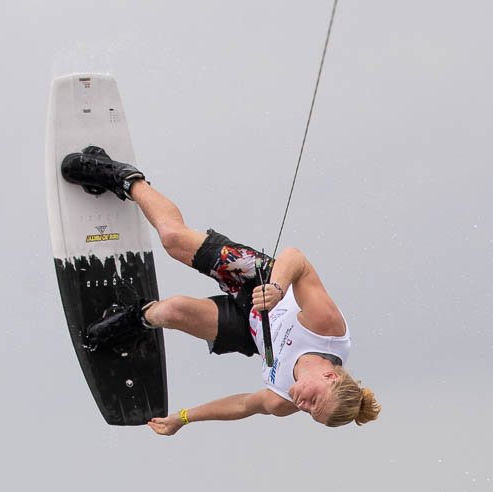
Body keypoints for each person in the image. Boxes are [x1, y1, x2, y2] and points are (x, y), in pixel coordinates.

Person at [60, 146, 381, 436]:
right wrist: (277, 287)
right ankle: (122, 176)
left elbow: (244, 406)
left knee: (170, 311)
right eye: (314, 401)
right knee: (173, 239)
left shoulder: (285, 401)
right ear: (331, 378)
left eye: (310, 413)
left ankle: (133, 319)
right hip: (262, 281)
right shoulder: (327, 330)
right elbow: (297, 258)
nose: (304, 405)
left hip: (251, 328)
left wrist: (182, 418)